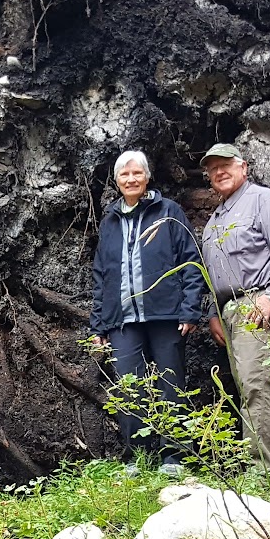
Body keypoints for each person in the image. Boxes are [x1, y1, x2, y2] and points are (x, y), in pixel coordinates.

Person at [197, 143, 270, 480]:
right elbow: (212, 273)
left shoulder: (264, 200)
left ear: (244, 167)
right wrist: (214, 313)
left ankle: (265, 476)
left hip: (259, 302)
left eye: (226, 164)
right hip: (231, 311)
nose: (219, 171)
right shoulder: (216, 220)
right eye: (213, 168)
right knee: (258, 387)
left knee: (258, 387)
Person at [89, 150, 204, 477]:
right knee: (129, 388)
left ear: (148, 176)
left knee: (171, 384)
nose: (131, 179)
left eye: (137, 173)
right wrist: (98, 324)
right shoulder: (110, 221)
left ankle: (175, 457)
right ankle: (137, 458)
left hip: (166, 315)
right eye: (124, 175)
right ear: (116, 181)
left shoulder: (168, 212)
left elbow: (191, 262)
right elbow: (101, 275)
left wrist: (190, 309)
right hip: (122, 321)